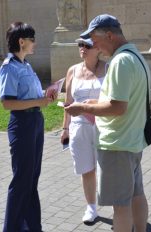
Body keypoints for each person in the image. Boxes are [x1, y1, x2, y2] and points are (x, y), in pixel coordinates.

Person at [65, 14, 150, 232]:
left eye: (95, 40)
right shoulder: (135, 56)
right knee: (136, 194)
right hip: (132, 140)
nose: (95, 47)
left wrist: (82, 107)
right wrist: (95, 102)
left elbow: (117, 107)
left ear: (109, 35)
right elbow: (121, 100)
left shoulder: (120, 62)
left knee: (120, 206)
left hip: (117, 144)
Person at [0, 22, 56, 232]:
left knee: (32, 179)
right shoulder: (9, 67)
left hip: (35, 122)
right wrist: (37, 102)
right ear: (21, 42)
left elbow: (30, 95)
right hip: (21, 124)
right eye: (32, 39)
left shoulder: (26, 65)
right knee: (21, 180)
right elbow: (7, 103)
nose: (35, 43)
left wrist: (45, 94)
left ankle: (32, 227)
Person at [60, 38, 106, 224]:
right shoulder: (73, 70)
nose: (83, 48)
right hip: (79, 127)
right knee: (86, 168)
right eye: (80, 45)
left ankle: (118, 208)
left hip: (103, 125)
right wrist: (65, 128)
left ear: (98, 48)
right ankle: (91, 207)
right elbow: (68, 103)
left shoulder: (109, 68)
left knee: (107, 168)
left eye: (87, 45)